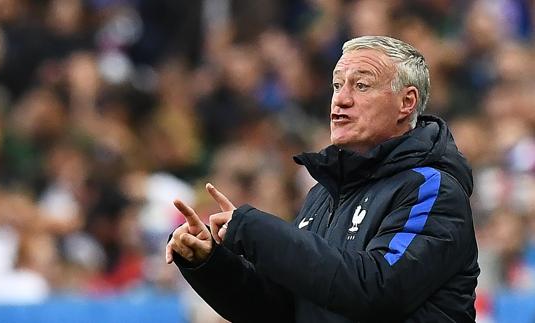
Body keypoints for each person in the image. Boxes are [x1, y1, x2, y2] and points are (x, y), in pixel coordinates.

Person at [166, 35, 479, 322]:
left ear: (406, 103)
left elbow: (378, 288)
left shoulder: (432, 188)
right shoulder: (325, 193)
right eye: (337, 85)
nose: (341, 99)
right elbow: (284, 311)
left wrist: (253, 228)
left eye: (361, 86)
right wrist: (210, 263)